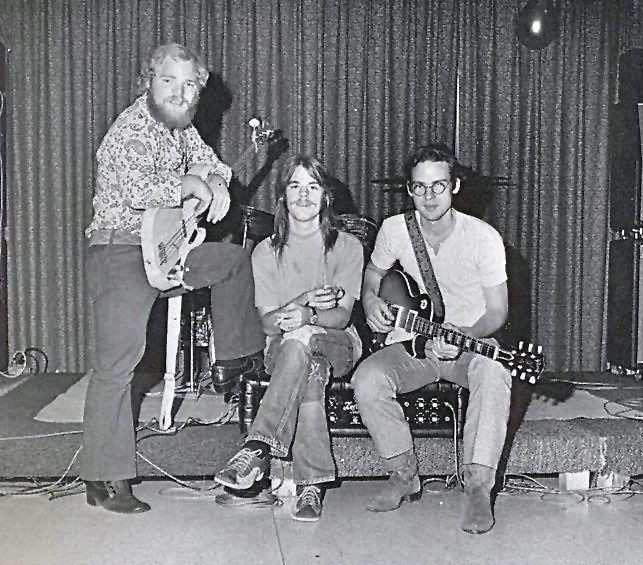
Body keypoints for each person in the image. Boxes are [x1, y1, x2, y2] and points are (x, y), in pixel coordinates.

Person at [82, 43, 265, 513]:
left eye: (189, 86)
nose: (180, 93)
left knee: (233, 262)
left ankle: (232, 364)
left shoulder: (181, 129)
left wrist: (216, 182)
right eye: (169, 81)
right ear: (148, 82)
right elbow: (136, 189)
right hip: (121, 250)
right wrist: (189, 184)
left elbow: (212, 163)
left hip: (167, 249)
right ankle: (105, 477)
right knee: (117, 366)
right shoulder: (131, 127)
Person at [351, 143, 511, 534]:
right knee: (368, 378)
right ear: (409, 189)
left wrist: (466, 334)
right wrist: (370, 300)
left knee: (495, 372)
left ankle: (479, 488)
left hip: (469, 343)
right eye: (420, 187)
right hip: (417, 342)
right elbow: (373, 274)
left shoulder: (484, 237)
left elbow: (497, 312)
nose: (429, 196)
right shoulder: (394, 229)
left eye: (438, 185)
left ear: (455, 186)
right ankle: (403, 474)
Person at [214, 155, 364, 522]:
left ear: (325, 197)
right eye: (295, 186)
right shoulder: (265, 251)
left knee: (302, 336)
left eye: (312, 186)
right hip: (283, 350)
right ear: (283, 196)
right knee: (308, 363)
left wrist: (308, 317)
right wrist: (303, 301)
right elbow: (268, 325)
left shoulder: (348, 247)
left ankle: (257, 447)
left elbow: (342, 316)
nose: (304, 195)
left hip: (339, 342)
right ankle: (311, 484)